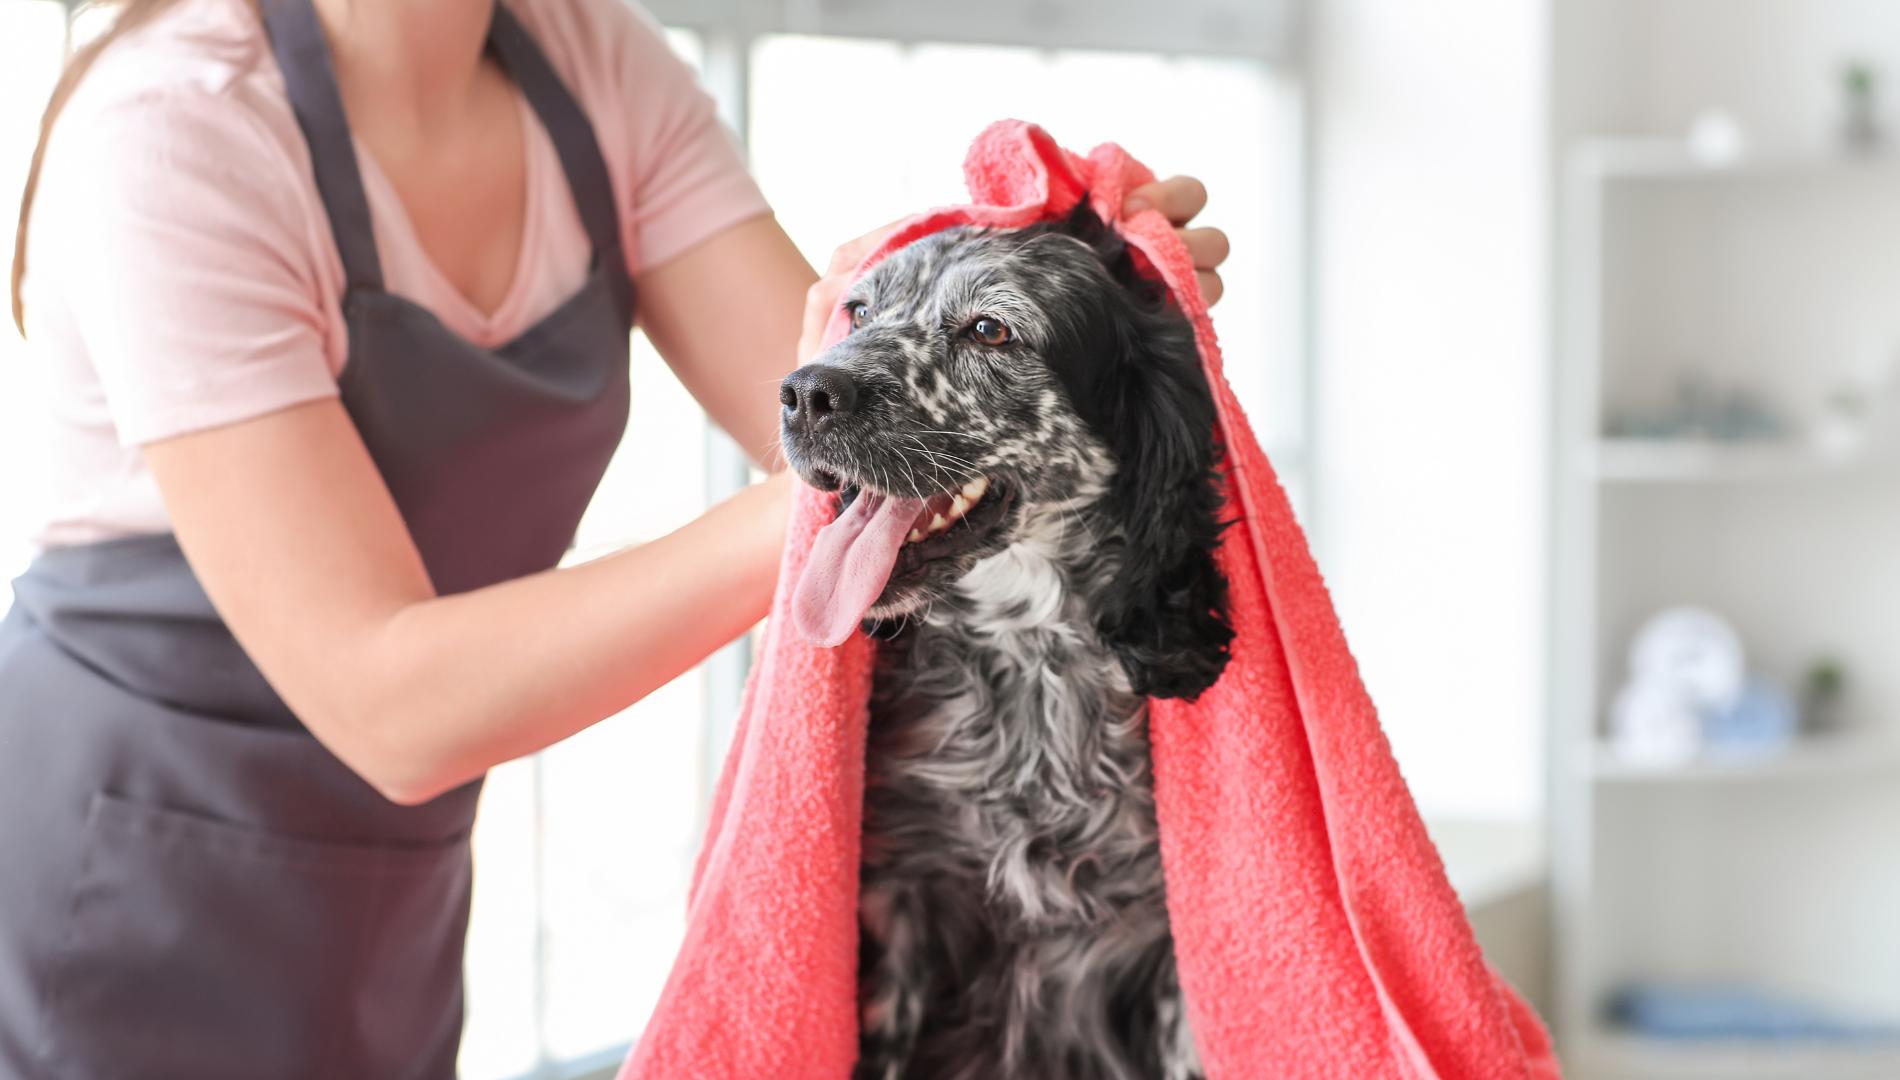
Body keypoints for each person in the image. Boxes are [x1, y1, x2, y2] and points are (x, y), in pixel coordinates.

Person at [0, 0, 1231, 1073]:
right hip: (118, 877)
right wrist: (870, 504)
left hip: (395, 894)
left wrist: (1070, 314)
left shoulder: (586, 59)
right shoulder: (174, 131)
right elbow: (388, 703)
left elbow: (814, 395)